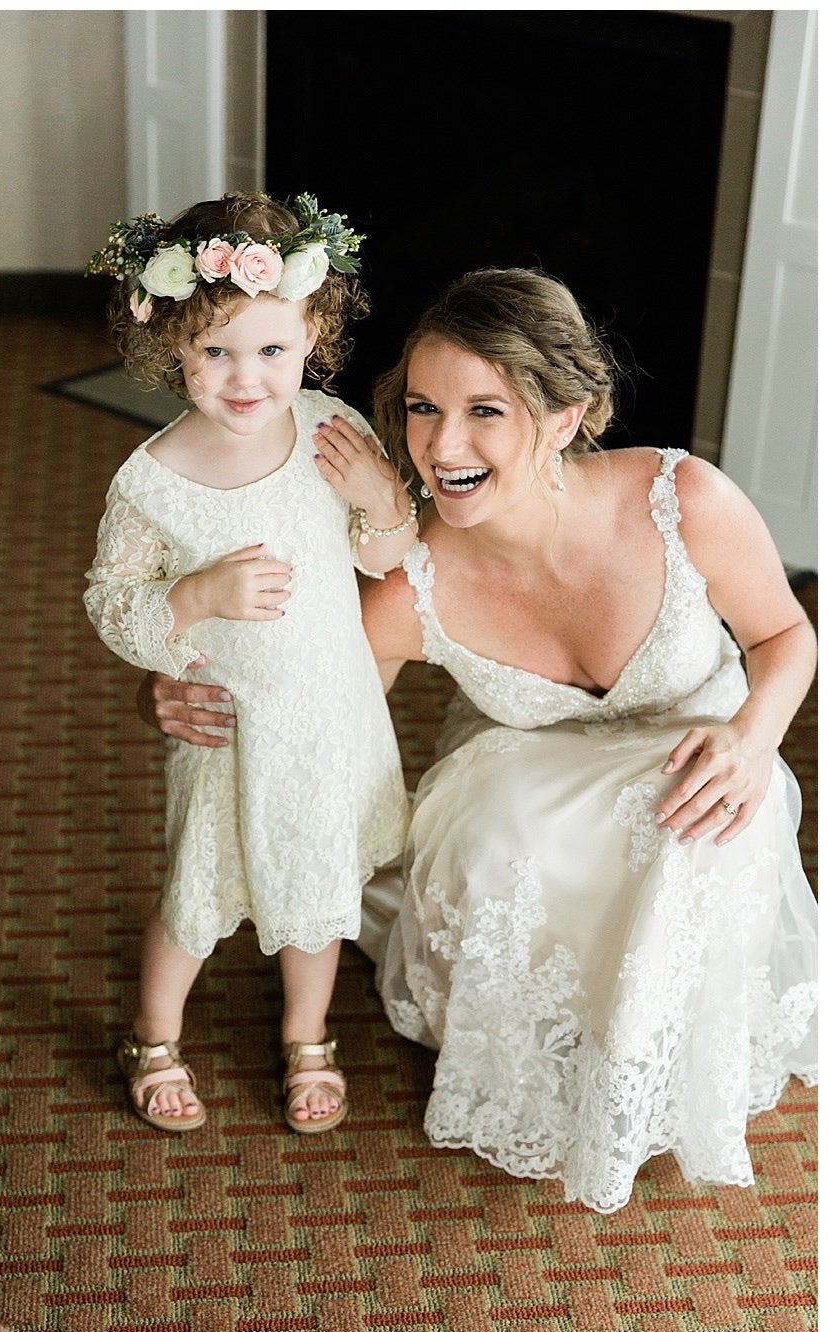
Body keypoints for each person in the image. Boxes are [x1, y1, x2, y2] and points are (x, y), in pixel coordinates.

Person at [141, 268, 817, 1212]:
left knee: (696, 824)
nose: (440, 446)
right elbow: (303, 706)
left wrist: (753, 737)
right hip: (529, 772)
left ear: (564, 416)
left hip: (702, 743)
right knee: (501, 830)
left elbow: (789, 637)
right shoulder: (411, 584)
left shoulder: (680, 500)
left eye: (484, 411)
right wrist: (171, 695)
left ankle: (650, 1057)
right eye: (421, 408)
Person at [81, 192, 413, 1134]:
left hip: (330, 711)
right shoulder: (151, 480)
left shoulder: (328, 430)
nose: (245, 378)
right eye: (215, 352)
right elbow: (110, 603)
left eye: (271, 351)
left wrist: (379, 490)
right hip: (228, 725)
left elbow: (386, 557)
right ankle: (154, 1035)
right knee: (197, 888)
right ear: (169, 346)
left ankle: (308, 1036)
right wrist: (192, 601)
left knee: (318, 891)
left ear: (312, 334)